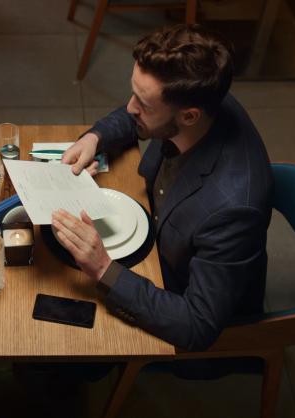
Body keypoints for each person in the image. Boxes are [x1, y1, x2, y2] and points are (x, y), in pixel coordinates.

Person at [53, 24, 273, 352]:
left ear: (189, 117)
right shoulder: (201, 97)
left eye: (143, 103)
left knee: (68, 338)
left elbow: (198, 325)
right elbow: (137, 118)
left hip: (174, 290)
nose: (129, 108)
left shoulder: (234, 209)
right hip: (156, 238)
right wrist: (94, 137)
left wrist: (102, 268)